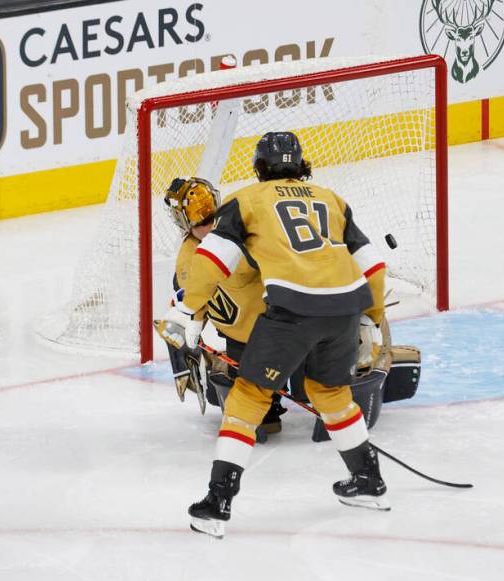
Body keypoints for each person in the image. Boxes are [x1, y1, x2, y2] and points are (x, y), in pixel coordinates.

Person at [164, 132, 388, 538]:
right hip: (344, 309)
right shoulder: (331, 198)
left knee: (248, 397)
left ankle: (217, 503)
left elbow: (213, 260)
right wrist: (370, 319)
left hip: (292, 310)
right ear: (301, 165)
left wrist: (185, 312)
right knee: (331, 393)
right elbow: (372, 265)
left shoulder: (247, 201)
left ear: (259, 167)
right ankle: (369, 481)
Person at [158, 177, 287, 440]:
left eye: (211, 216)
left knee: (322, 388)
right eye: (201, 222)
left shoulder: (245, 229)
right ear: (185, 223)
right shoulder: (187, 264)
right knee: (258, 422)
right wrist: (184, 352)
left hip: (286, 329)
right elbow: (186, 310)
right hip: (244, 343)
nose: (209, 224)